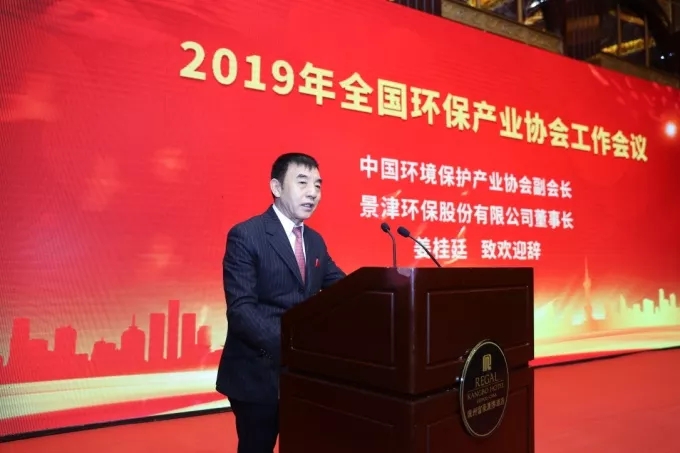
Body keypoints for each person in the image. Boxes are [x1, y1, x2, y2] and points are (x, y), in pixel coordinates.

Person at [216, 152, 346, 453]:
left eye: (318, 185)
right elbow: (241, 311)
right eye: (302, 182)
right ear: (276, 187)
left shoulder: (315, 241)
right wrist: (293, 347)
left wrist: (387, 287)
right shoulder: (246, 235)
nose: (313, 192)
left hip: (301, 376)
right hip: (257, 373)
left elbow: (344, 289)